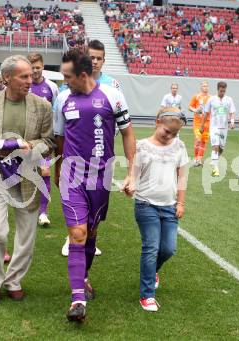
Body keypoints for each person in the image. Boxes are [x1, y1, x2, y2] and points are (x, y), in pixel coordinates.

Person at [54, 49, 136, 321]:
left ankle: (84, 276)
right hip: (72, 177)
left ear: (84, 75)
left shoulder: (112, 94)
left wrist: (131, 173)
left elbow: (127, 133)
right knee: (77, 233)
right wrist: (57, 169)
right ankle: (78, 300)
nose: (64, 81)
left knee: (90, 232)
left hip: (101, 178)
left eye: (68, 76)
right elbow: (59, 139)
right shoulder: (63, 98)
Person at [0, 55, 54, 305]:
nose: (31, 79)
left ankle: (14, 281)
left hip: (27, 178)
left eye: (31, 75)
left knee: (26, 236)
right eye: (23, 76)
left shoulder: (42, 106)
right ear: (7, 78)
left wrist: (29, 148)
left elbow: (48, 142)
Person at [60, 39, 122, 257]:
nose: (95, 62)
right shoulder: (68, 87)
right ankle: (73, 237)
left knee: (96, 208)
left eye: (99, 58)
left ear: (104, 61)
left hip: (102, 158)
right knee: (76, 206)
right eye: (92, 57)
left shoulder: (112, 87)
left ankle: (89, 237)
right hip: (75, 161)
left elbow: (120, 123)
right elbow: (62, 126)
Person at [134, 107, 188, 312]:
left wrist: (180, 203)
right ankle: (147, 295)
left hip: (170, 207)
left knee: (168, 249)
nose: (170, 136)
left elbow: (182, 177)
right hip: (145, 204)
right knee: (151, 247)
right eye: (167, 131)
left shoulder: (180, 146)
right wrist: (130, 185)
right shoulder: (142, 147)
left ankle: (152, 271)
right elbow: (133, 175)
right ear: (157, 122)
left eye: (174, 134)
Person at [27, 53, 59, 227]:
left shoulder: (52, 87)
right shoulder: (25, 85)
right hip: (27, 138)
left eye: (38, 67)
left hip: (46, 137)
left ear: (43, 66)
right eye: (32, 67)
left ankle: (43, 212)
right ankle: (30, 207)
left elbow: (57, 110)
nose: (35, 71)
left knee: (45, 172)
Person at [200, 82, 236, 177]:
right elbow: (206, 113)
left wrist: (232, 122)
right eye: (221, 91)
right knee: (215, 146)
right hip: (214, 127)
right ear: (217, 89)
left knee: (221, 148)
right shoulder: (211, 99)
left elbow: (232, 112)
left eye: (224, 91)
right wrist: (202, 125)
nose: (222, 92)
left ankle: (214, 160)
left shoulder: (229, 100)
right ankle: (215, 169)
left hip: (224, 127)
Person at [189, 81, 211, 167]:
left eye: (206, 86)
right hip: (198, 122)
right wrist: (195, 110)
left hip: (207, 122)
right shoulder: (196, 97)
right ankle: (196, 158)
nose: (205, 87)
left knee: (203, 142)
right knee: (198, 139)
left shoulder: (211, 98)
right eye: (203, 86)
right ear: (201, 87)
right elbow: (190, 107)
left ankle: (199, 159)